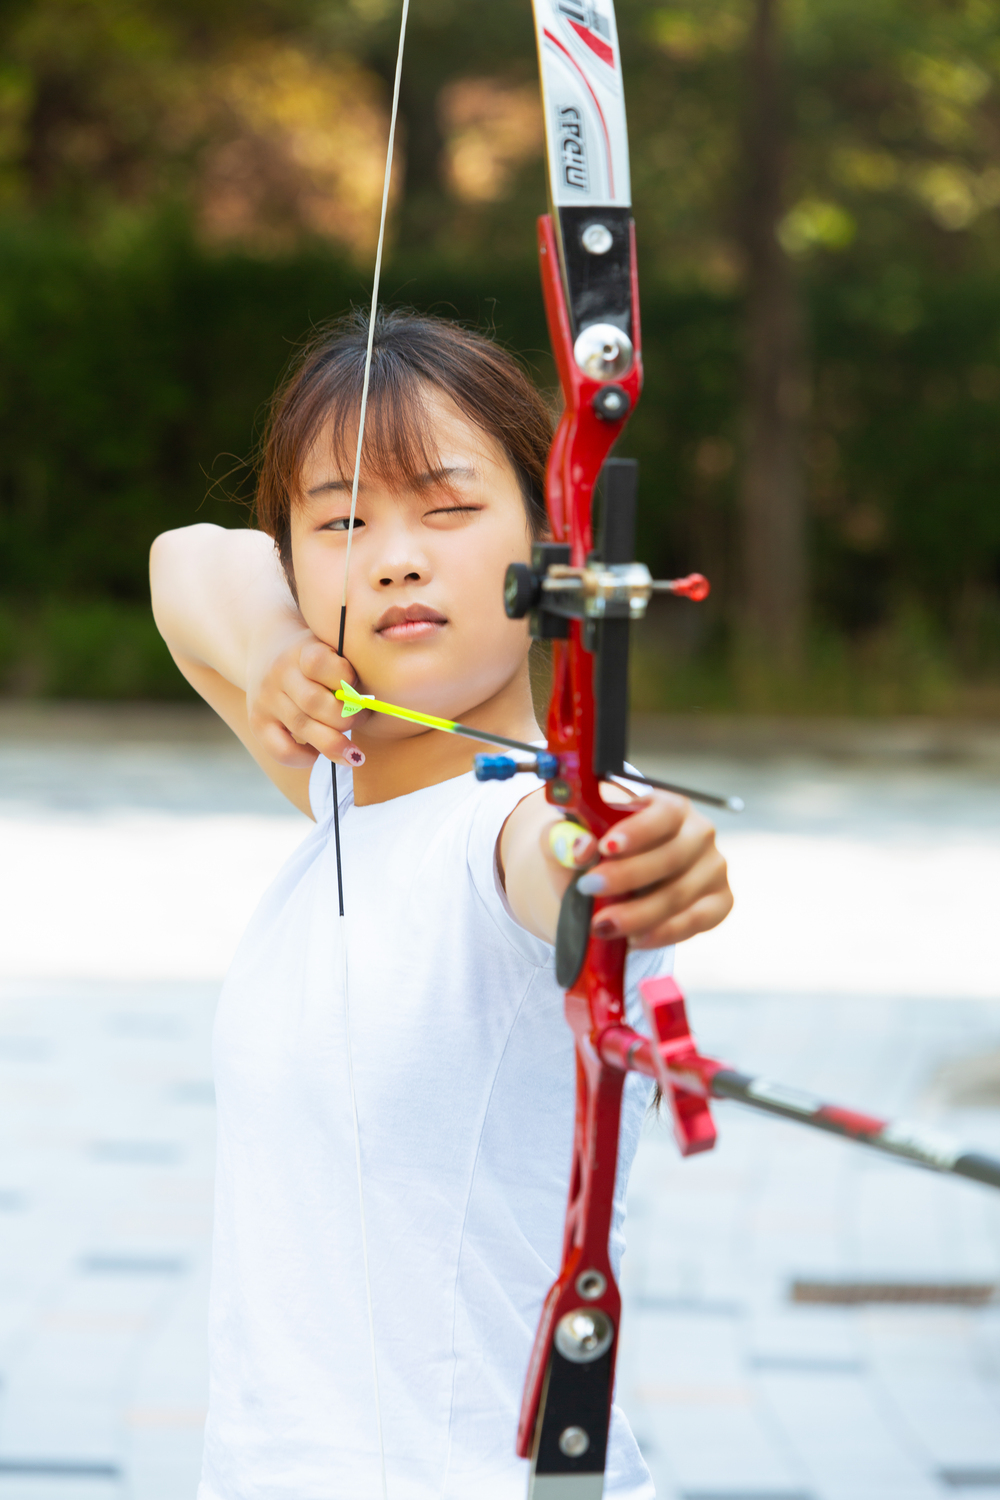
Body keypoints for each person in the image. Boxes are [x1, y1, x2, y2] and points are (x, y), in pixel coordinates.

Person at [150, 308, 733, 1500]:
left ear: (551, 537)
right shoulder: (346, 793)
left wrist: (626, 855)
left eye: (450, 509)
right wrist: (271, 647)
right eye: (342, 522)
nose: (394, 558)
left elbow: (559, 853)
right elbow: (183, 559)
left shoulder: (517, 823)